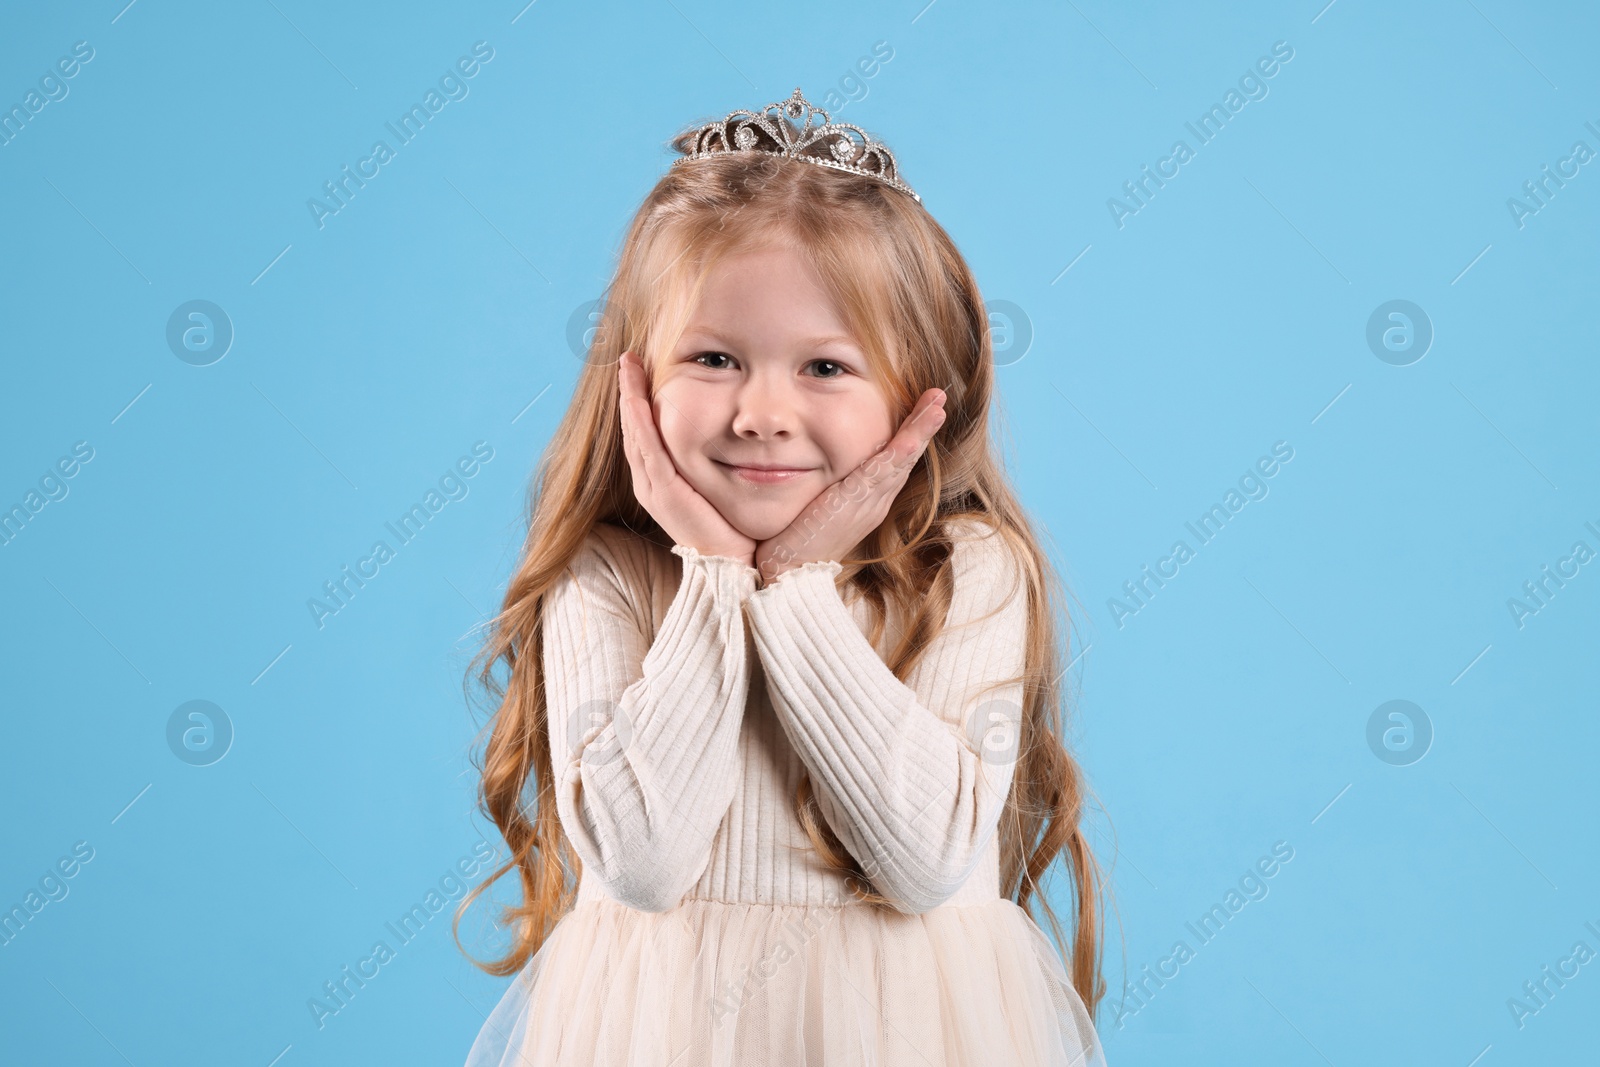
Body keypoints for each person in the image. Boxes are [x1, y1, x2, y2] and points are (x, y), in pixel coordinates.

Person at [458, 87, 1110, 1066]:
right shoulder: (607, 577)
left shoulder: (968, 573)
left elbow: (925, 857)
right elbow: (640, 860)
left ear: (918, 393)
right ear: (633, 381)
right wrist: (717, 575)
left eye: (824, 368)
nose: (761, 411)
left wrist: (795, 585)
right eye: (715, 357)